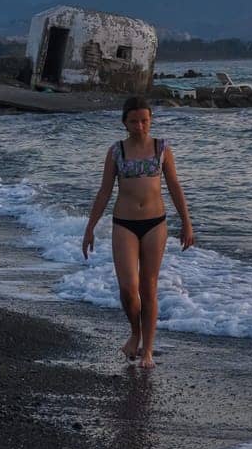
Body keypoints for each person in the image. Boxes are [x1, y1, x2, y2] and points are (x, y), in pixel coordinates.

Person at [83, 95, 195, 368]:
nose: (140, 126)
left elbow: (175, 187)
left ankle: (147, 350)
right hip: (124, 223)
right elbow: (104, 191)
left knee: (149, 286)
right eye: (134, 121)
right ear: (125, 123)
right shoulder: (116, 151)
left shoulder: (162, 148)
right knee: (128, 289)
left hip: (155, 223)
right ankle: (135, 332)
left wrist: (186, 222)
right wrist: (90, 228)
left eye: (145, 120)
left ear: (150, 120)